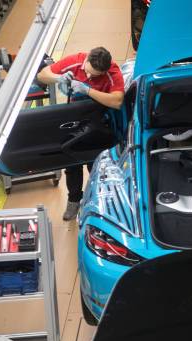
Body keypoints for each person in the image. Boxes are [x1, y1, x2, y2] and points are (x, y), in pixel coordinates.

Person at [37, 47, 125, 221]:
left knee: (97, 165)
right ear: (86, 61)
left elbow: (117, 101)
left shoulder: (113, 73)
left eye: (95, 76)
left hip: (99, 120)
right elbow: (41, 75)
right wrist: (58, 78)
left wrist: (87, 90)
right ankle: (74, 200)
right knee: (72, 163)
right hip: (74, 118)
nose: (90, 77)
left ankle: (96, 201)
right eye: (88, 72)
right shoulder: (76, 61)